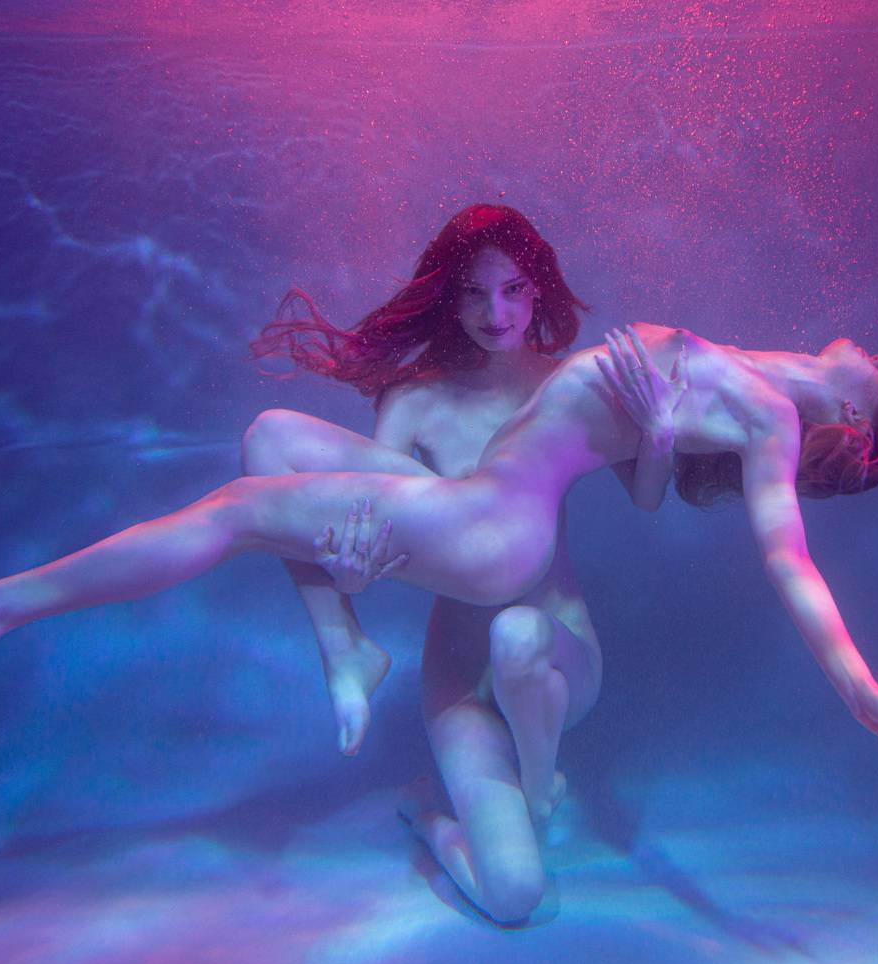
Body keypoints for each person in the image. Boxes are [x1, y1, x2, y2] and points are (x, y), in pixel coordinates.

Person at [0, 284, 878, 922]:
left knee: (237, 510)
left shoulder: (775, 421)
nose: (877, 351)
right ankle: (343, 648)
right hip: (486, 503)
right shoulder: (764, 373)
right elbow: (657, 465)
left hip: (493, 526)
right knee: (267, 453)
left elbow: (791, 562)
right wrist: (669, 433)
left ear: (855, 419)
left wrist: (863, 689)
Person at [240, 204, 678, 924]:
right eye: (473, 293)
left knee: (518, 635)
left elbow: (647, 496)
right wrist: (351, 574)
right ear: (449, 296)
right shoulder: (413, 401)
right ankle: (423, 807)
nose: (494, 313)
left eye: (512, 289)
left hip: (556, 649)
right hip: (458, 677)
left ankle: (531, 781)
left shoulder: (567, 383)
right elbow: (376, 533)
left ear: (538, 288)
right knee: (514, 895)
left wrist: (658, 435)